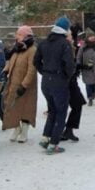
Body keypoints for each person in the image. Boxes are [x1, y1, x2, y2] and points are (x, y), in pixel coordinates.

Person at [35, 16, 75, 154]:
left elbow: (36, 62)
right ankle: (54, 143)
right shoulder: (64, 44)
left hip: (46, 81)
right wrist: (66, 77)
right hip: (59, 81)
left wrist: (45, 72)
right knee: (61, 112)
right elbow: (69, 65)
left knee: (52, 110)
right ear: (65, 29)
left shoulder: (43, 43)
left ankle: (45, 137)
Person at [2, 25, 38, 143]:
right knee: (12, 106)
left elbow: (32, 69)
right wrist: (6, 70)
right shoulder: (17, 48)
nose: (17, 36)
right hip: (13, 82)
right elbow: (11, 61)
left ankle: (25, 131)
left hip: (26, 86)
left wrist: (24, 85)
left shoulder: (32, 50)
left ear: (25, 36)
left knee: (26, 108)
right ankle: (16, 128)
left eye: (19, 34)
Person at [76, 31, 95, 105]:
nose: (93, 38)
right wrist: (79, 65)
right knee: (88, 84)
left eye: (93, 36)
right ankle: (89, 97)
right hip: (86, 68)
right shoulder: (83, 47)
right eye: (91, 36)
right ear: (87, 38)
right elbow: (79, 57)